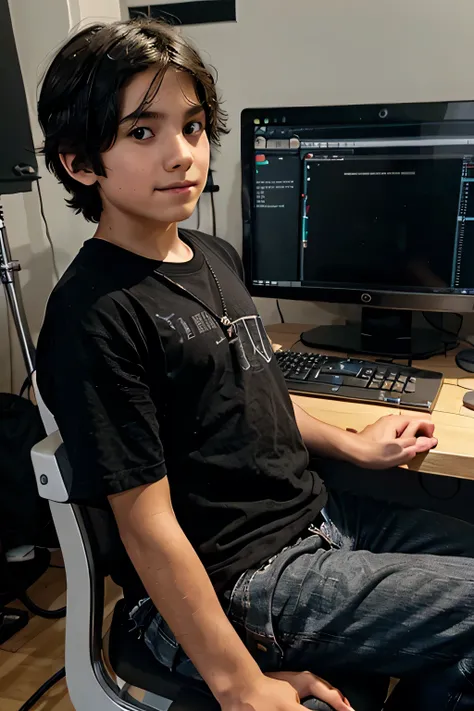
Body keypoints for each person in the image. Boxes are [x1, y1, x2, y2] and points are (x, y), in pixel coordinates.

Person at [35, 18, 474, 711]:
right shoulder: (94, 314)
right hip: (244, 574)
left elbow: (258, 388)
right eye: (142, 132)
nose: (182, 155)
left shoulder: (211, 255)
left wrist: (353, 443)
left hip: (319, 519)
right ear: (79, 161)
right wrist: (240, 685)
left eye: (194, 126)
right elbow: (145, 525)